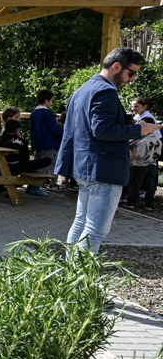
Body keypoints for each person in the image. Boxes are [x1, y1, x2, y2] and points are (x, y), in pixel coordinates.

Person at [54, 46, 160, 253]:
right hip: (104, 169)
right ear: (117, 66)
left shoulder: (83, 89)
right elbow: (102, 130)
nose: (132, 79)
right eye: (132, 73)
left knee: (80, 223)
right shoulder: (106, 91)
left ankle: (70, 275)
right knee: (95, 229)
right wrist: (139, 129)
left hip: (84, 167)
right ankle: (81, 281)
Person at [0, 119, 52, 196]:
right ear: (17, 130)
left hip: (3, 164)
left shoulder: (1, 139)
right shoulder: (22, 141)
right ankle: (33, 187)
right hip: (19, 166)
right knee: (47, 160)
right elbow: (26, 157)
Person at [124, 117, 161, 210]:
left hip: (140, 165)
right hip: (152, 165)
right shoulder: (158, 141)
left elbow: (139, 154)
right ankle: (149, 204)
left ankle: (131, 202)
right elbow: (158, 153)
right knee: (150, 185)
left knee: (136, 184)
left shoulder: (142, 141)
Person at [29, 90, 63, 177]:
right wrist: (64, 132)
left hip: (37, 143)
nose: (51, 103)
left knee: (37, 164)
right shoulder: (48, 113)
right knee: (47, 165)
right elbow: (54, 129)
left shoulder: (33, 113)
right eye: (51, 100)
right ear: (46, 100)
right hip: (48, 144)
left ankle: (33, 184)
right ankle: (40, 185)